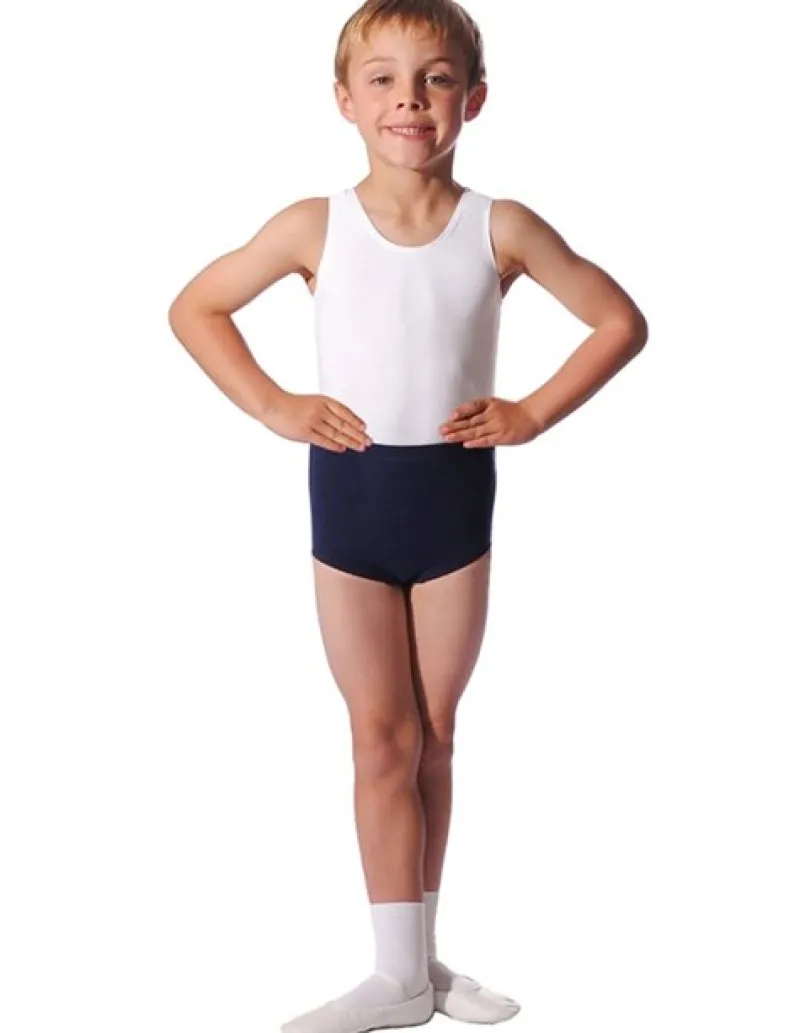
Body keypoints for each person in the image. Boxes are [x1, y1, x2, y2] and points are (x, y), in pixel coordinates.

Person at [168, 1, 648, 1030]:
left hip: (452, 500)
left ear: (473, 98)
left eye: (435, 78)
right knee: (379, 737)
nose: (409, 100)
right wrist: (273, 403)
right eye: (382, 78)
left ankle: (417, 963)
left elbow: (618, 320)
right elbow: (196, 307)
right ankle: (393, 980)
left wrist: (530, 412)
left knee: (433, 737)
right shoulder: (313, 225)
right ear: (344, 100)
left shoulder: (500, 226)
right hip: (351, 495)